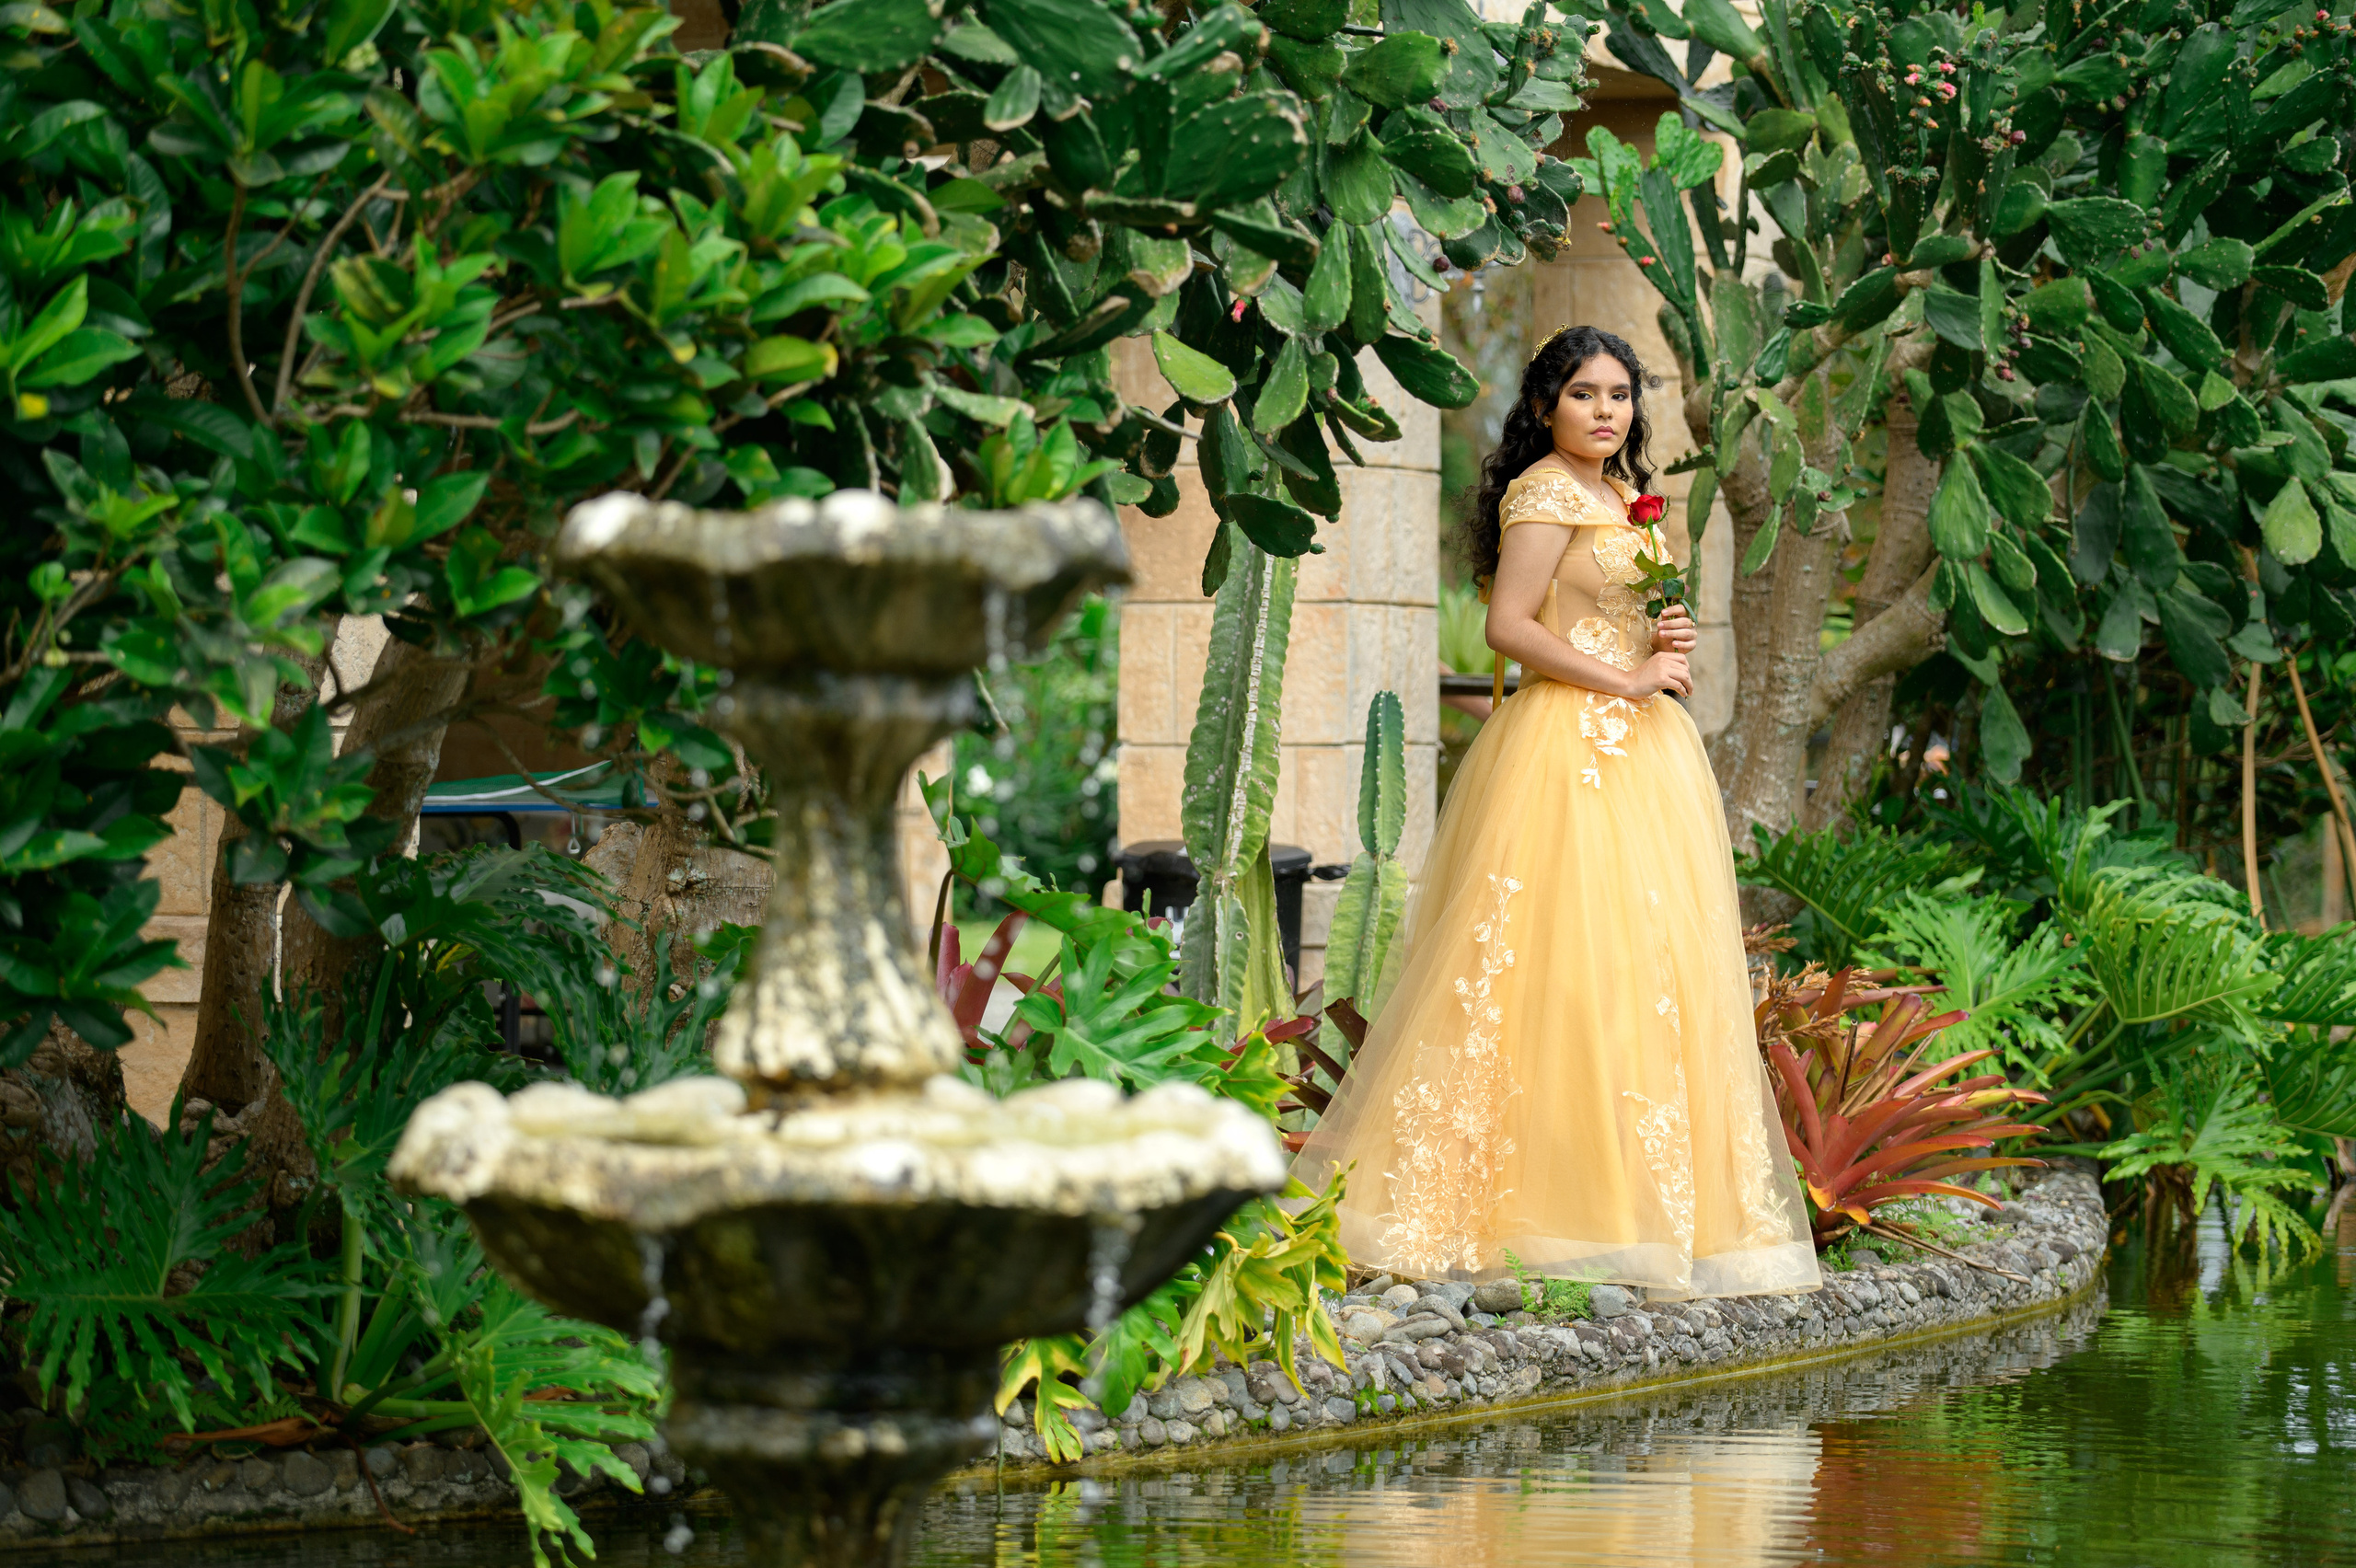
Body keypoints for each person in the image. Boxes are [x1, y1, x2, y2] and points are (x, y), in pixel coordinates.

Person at [1291, 326, 1821, 1300]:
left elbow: (1615, 614)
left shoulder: (1624, 495)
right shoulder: (1542, 493)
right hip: (1564, 750)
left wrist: (1662, 640)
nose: (1605, 410)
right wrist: (1625, 678)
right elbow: (1509, 626)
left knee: (1639, 970)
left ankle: (1641, 1214)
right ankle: (1501, 1211)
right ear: (1545, 406)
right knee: (1544, 969)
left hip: (1644, 753)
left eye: (1619, 394)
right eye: (1583, 393)